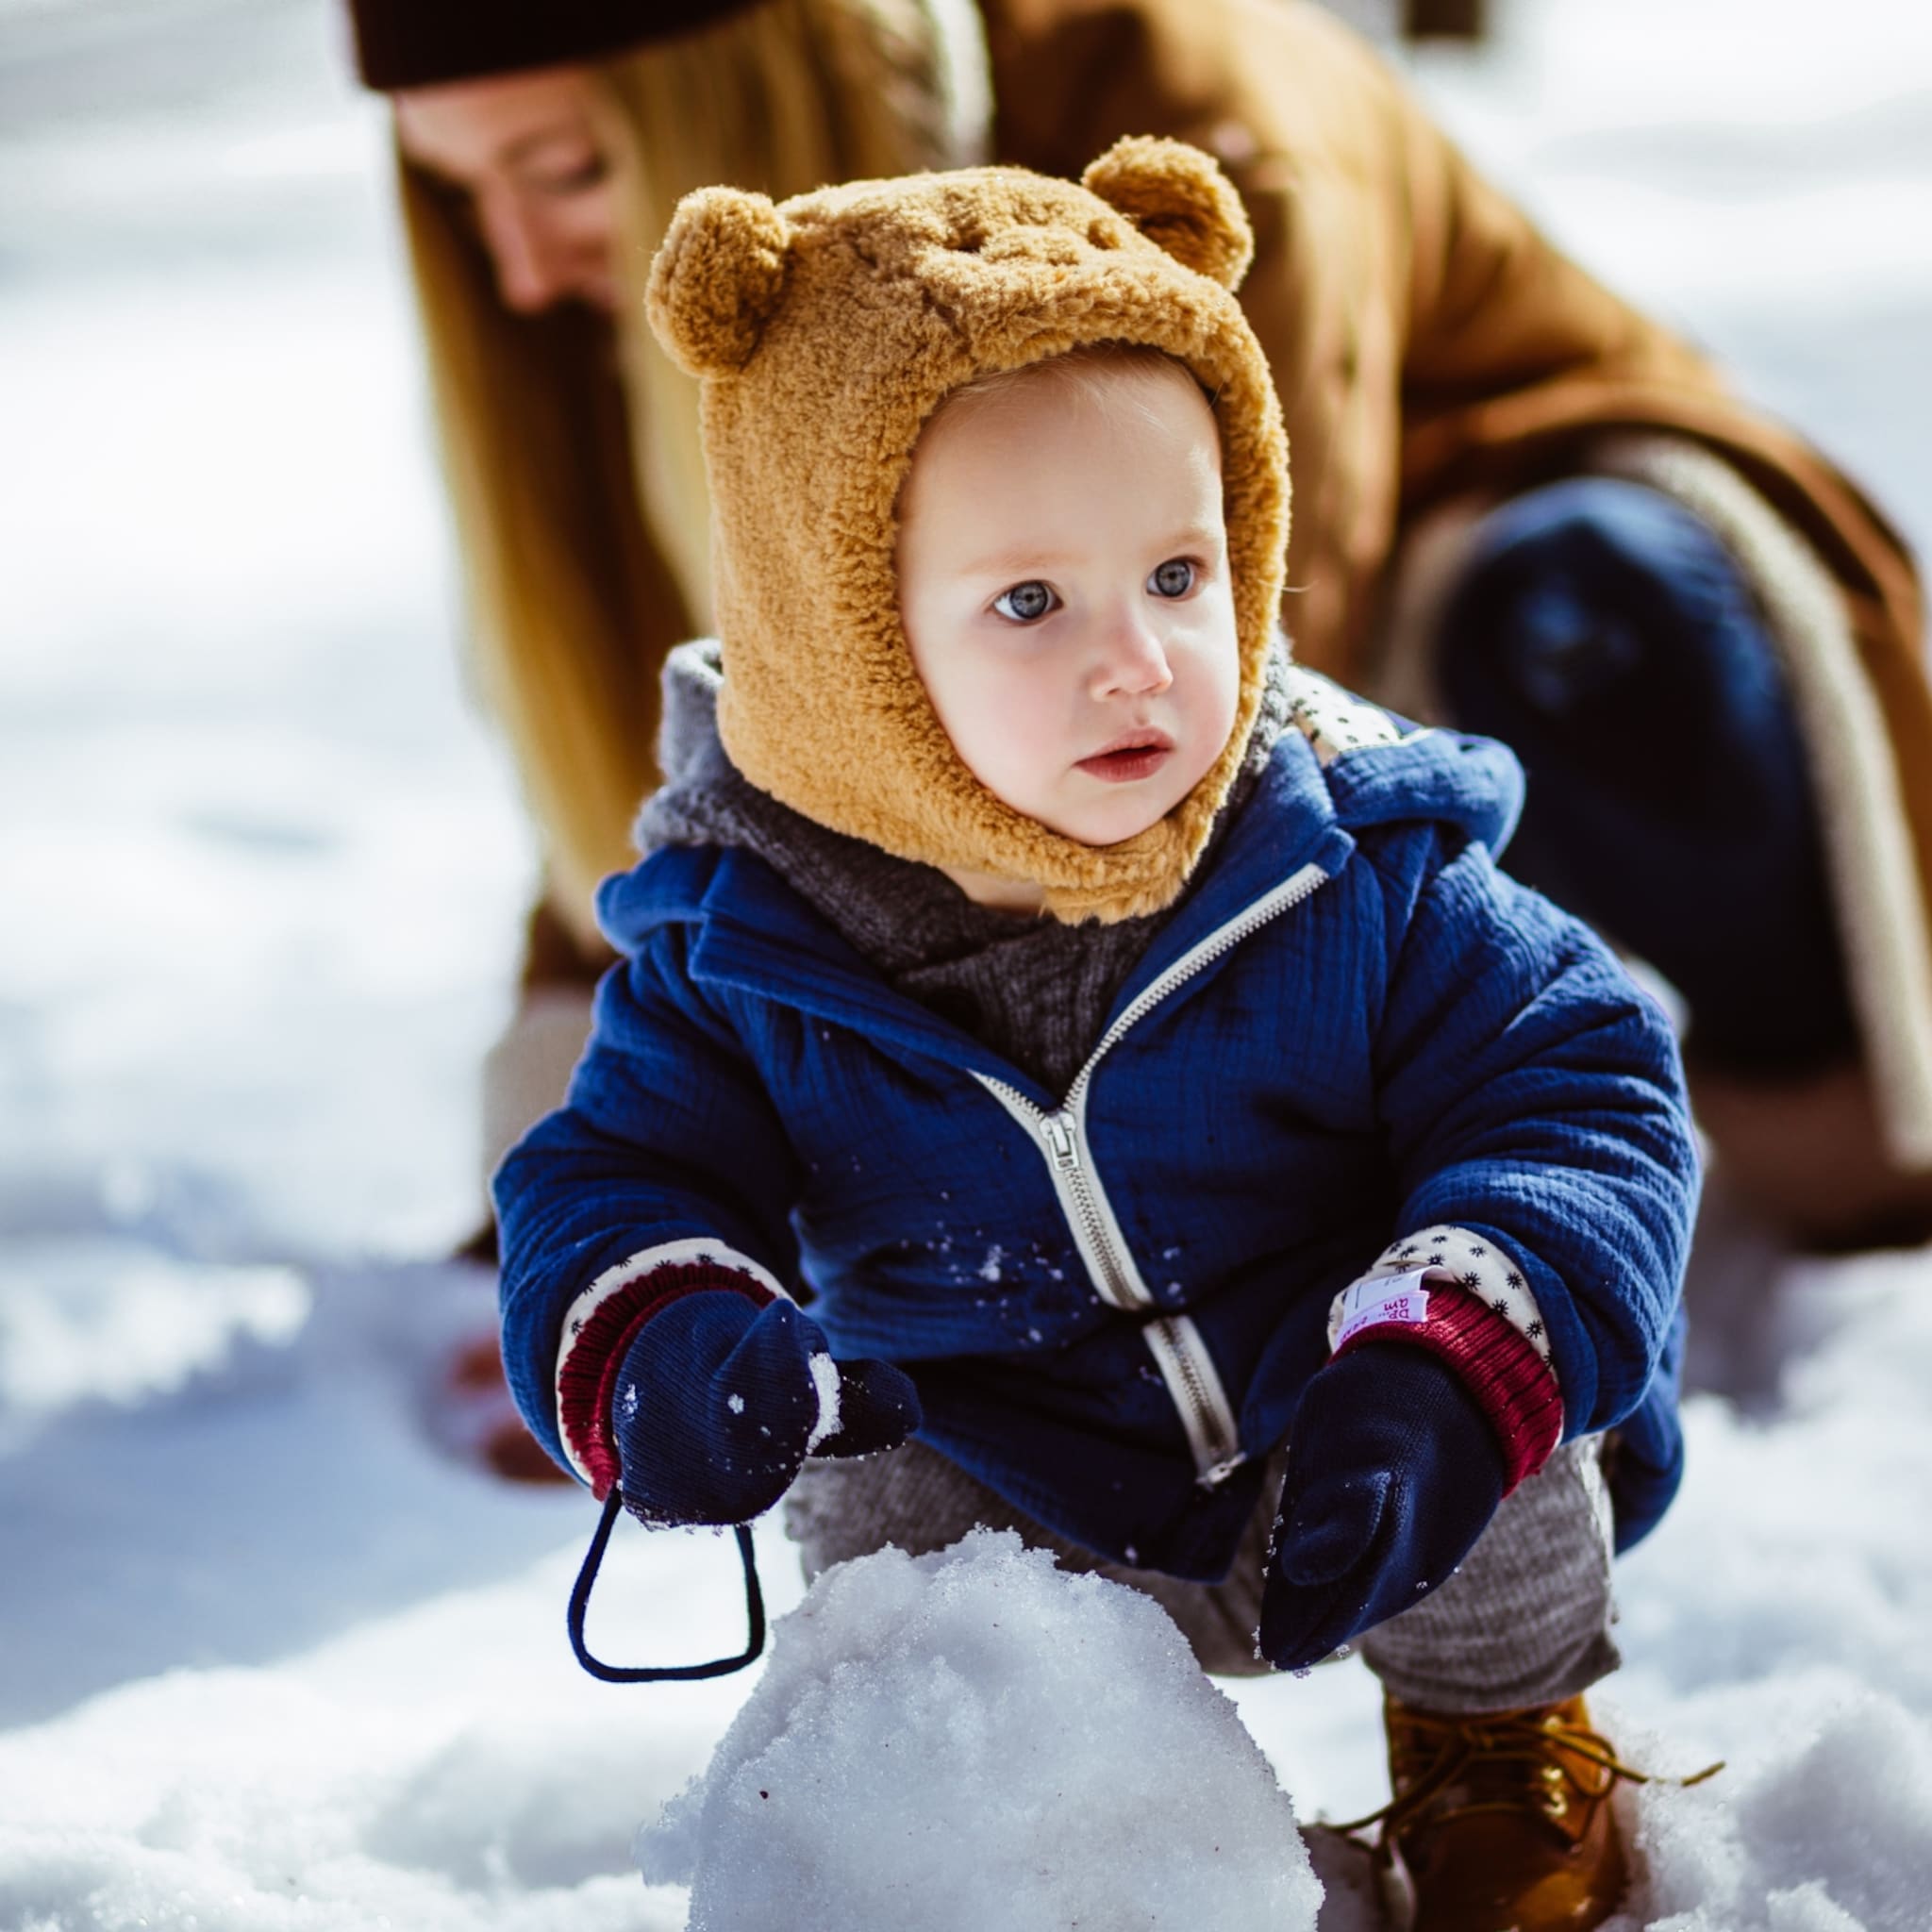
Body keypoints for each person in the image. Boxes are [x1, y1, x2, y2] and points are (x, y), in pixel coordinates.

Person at [493, 140, 1702, 1929]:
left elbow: (1582, 1088)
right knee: (890, 1546)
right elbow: (610, 1174)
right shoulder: (750, 952)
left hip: (1348, 1430)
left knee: (1492, 1395)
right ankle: (1038, 1848)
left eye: (1179, 574)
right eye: (1030, 604)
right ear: (849, 651)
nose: (1135, 661)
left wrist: (1449, 1348)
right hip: (1016, 1475)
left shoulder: (1356, 871)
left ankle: (1497, 1757)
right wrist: (666, 1335)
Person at [348, 0, 1932, 1263]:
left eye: (559, 172)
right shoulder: (678, 303)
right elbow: (739, 708)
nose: (517, 261)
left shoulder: (1182, 113)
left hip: (1454, 591)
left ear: (738, 82)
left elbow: (1226, 663)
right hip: (1104, 684)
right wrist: (606, 1205)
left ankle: (1835, 1141)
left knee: (1569, 607)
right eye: (459, 189)